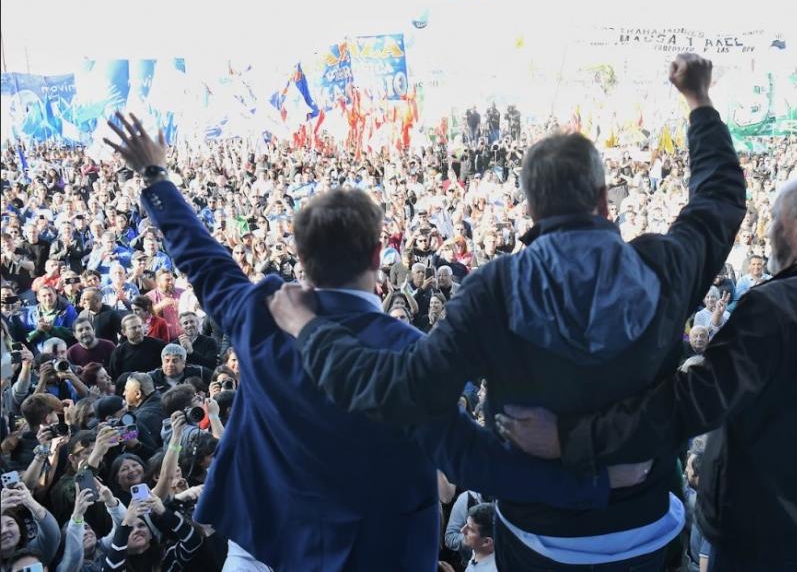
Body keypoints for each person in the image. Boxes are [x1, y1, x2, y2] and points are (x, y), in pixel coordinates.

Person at [102, 112, 650, 571]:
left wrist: (154, 175)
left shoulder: (261, 313)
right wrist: (594, 483)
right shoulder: (412, 352)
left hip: (268, 546)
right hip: (381, 555)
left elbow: (203, 260)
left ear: (303, 258)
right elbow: (474, 459)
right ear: (375, 256)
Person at [268, 54, 747, 569]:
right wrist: (698, 100)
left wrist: (309, 329)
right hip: (649, 529)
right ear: (604, 201)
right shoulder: (665, 265)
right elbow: (718, 201)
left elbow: (403, 392)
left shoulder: (493, 290)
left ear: (532, 209)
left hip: (537, 541)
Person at [496, 172, 797, 571]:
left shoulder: (774, 309)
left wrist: (569, 439)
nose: (768, 232)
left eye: (775, 219)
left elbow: (687, 405)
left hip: (760, 538)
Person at [108, 314, 166, 381]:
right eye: (133, 328)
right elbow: (115, 380)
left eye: (140, 326)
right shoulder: (118, 354)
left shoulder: (158, 345)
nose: (138, 330)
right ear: (124, 332)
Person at [460, 502, 497, 572]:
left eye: (470, 529)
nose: (462, 530)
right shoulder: (478, 549)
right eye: (466, 524)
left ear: (486, 542)